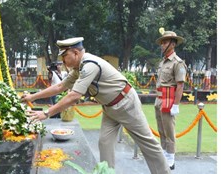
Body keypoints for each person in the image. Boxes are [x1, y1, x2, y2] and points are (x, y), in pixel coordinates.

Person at [22, 37, 171, 173]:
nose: (63, 61)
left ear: (75, 53)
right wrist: (32, 96)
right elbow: (60, 87)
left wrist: (47, 113)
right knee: (104, 143)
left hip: (126, 104)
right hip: (109, 108)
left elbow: (74, 96)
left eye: (64, 56)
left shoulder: (89, 65)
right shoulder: (78, 69)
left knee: (148, 144)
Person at [154, 30, 187, 170]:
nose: (162, 45)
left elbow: (180, 85)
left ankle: (171, 157)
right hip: (159, 100)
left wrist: (176, 105)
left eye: (165, 42)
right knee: (161, 130)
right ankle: (164, 153)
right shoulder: (162, 62)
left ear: (173, 44)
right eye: (162, 42)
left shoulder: (177, 63)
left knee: (169, 130)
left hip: (169, 101)